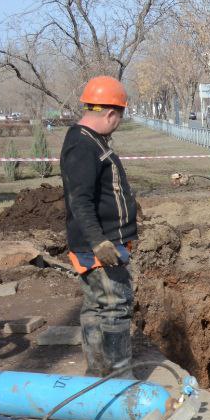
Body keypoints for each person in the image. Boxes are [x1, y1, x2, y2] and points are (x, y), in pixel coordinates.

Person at [60, 75, 138, 377]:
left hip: (100, 240)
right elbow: (79, 200)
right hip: (100, 244)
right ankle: (119, 378)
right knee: (115, 306)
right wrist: (99, 242)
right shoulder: (83, 146)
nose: (117, 123)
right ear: (109, 114)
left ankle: (97, 373)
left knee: (95, 305)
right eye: (118, 118)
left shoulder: (90, 141)